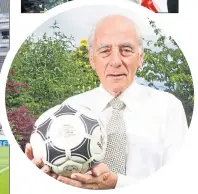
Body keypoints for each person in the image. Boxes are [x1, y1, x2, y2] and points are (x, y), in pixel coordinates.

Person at [25, 14, 188, 189]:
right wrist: (41, 178)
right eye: (105, 51)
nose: (116, 61)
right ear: (92, 59)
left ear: (141, 58)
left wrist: (118, 184)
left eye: (126, 50)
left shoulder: (169, 108)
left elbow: (180, 183)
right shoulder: (69, 109)